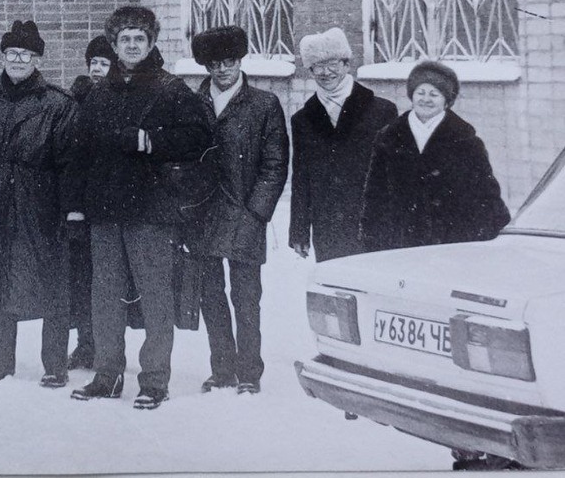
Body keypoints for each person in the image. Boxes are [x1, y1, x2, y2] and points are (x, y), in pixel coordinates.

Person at [68, 7, 208, 410]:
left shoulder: (170, 89)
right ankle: (108, 375)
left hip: (150, 210)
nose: (132, 45)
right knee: (105, 295)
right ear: (113, 46)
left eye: (139, 39)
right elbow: (79, 154)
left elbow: (199, 137)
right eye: (125, 39)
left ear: (150, 44)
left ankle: (154, 380)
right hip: (106, 211)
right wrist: (77, 207)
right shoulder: (97, 94)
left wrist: (151, 140)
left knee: (155, 296)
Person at [0, 20, 79, 389]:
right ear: (3, 56)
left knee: (51, 281)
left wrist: (70, 209)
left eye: (27, 54)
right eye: (12, 53)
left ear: (38, 59)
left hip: (40, 202)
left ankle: (55, 363)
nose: (19, 60)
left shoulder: (57, 103)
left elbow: (71, 163)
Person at [192, 25, 288, 396]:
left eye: (228, 62)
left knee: (246, 298)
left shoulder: (264, 105)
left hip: (245, 215)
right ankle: (222, 369)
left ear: (240, 61)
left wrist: (257, 213)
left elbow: (275, 165)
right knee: (210, 296)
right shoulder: (194, 102)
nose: (222, 71)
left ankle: (249, 371)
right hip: (203, 216)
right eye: (214, 64)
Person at [359, 60, 510, 252]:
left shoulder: (467, 142)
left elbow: (486, 196)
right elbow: (375, 194)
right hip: (399, 245)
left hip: (451, 245)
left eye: (434, 94)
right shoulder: (388, 138)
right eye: (420, 93)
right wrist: (372, 238)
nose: (426, 99)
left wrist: (480, 237)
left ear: (447, 100)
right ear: (411, 95)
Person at [288, 28, 397, 262]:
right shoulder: (303, 119)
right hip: (328, 225)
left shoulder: (381, 111)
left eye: (333, 63)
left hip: (373, 222)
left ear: (347, 64)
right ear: (310, 70)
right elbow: (302, 176)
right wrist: (299, 229)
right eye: (318, 65)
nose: (326, 72)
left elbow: (396, 174)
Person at [65, 34, 118, 371]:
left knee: (108, 281)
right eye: (94, 64)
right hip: (81, 205)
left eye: (104, 63)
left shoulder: (121, 99)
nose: (98, 69)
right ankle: (86, 344)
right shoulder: (76, 100)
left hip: (110, 204)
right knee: (82, 278)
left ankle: (109, 349)